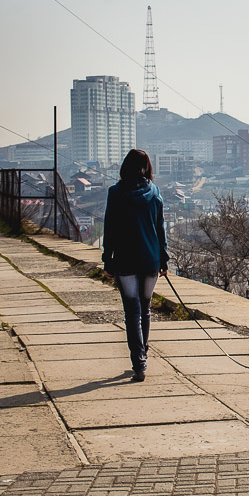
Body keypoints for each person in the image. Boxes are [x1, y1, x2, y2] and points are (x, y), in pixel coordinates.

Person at [102, 149, 168, 382]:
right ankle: (144, 354)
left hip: (125, 260)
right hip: (150, 259)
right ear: (147, 167)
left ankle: (138, 362)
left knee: (132, 312)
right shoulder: (154, 192)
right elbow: (160, 228)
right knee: (145, 308)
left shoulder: (116, 193)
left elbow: (109, 229)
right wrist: (164, 258)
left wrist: (107, 260)